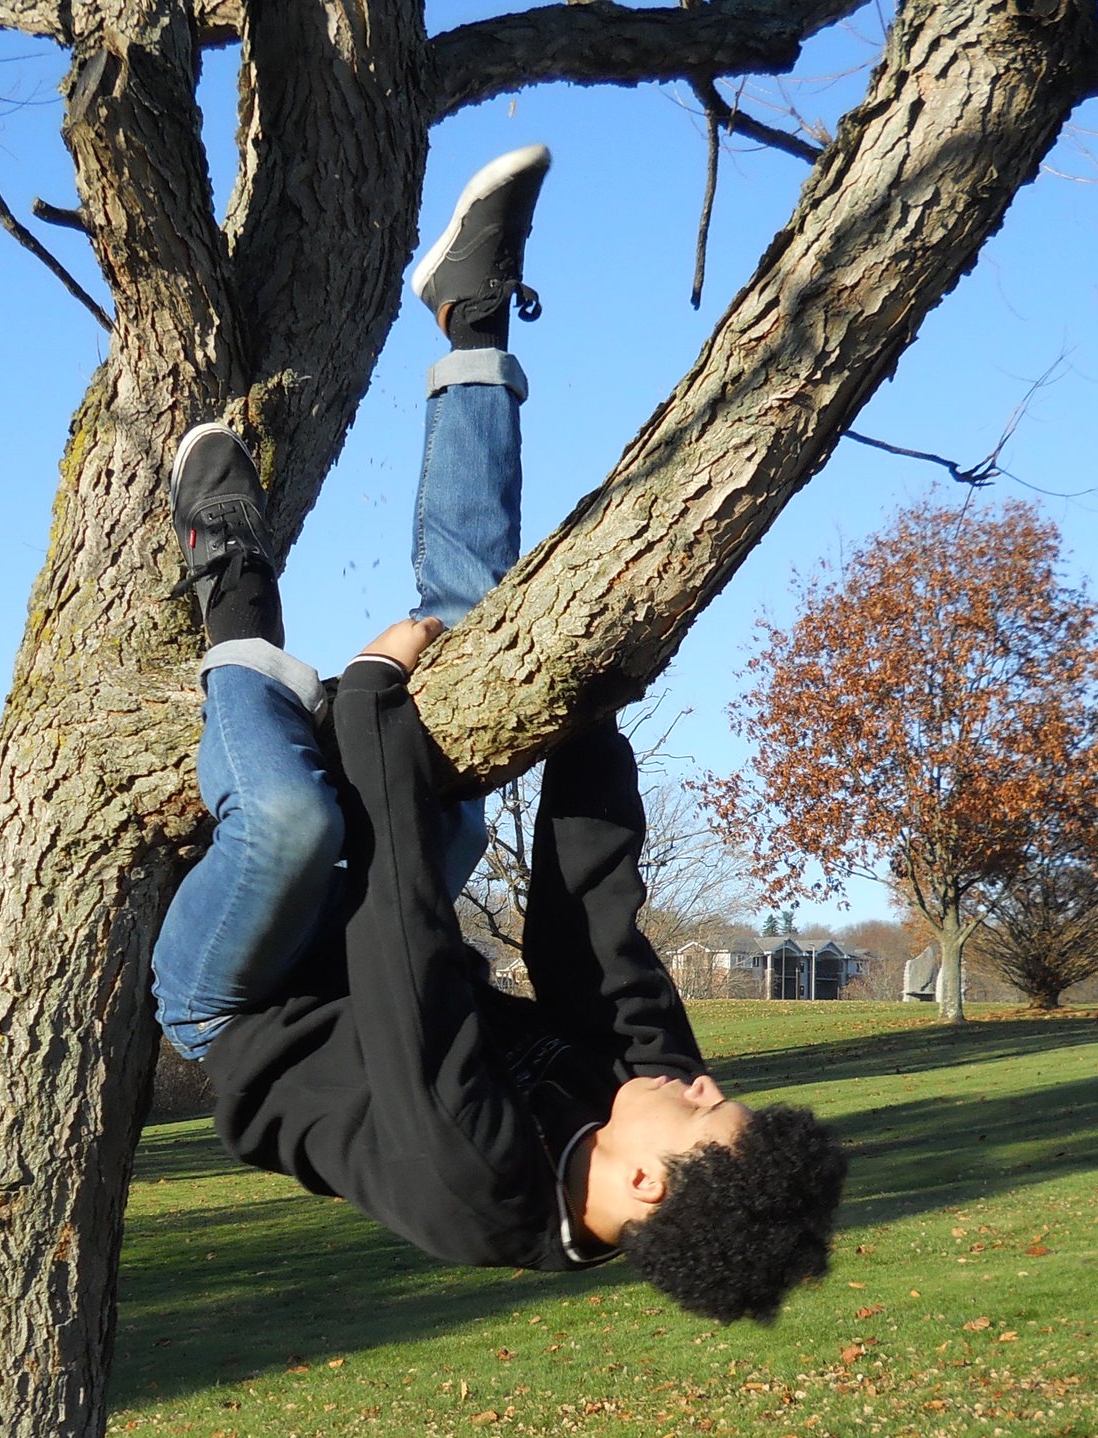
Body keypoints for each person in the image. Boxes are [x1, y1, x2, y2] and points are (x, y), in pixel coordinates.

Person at [149, 146, 845, 1324]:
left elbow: (406, 955)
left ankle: (231, 586)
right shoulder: (647, 1093)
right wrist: (579, 711)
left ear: (641, 1183)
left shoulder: (471, 1182)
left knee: (291, 816)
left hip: (245, 999)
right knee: (483, 655)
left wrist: (373, 696)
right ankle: (470, 319)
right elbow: (592, 923)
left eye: (705, 1110)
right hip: (367, 938)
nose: (703, 1081)